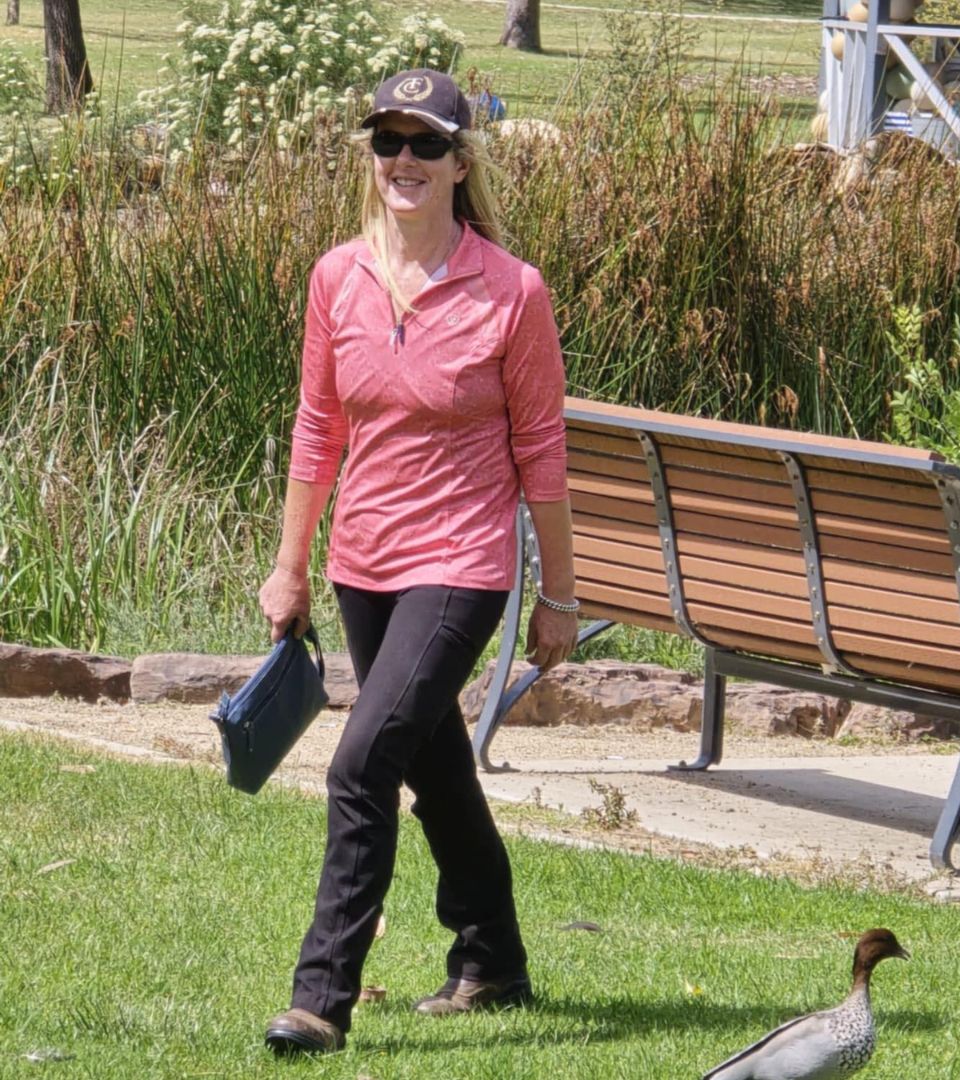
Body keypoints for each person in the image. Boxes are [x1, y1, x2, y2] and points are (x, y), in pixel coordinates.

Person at [258, 68, 579, 1056]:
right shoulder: (334, 278)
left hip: (463, 562)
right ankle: (493, 959)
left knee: (362, 764)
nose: (404, 160)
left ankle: (322, 996)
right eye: (388, 141)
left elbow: (544, 456)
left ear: (460, 160)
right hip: (365, 560)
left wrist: (559, 595)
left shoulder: (510, 291)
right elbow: (318, 428)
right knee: (436, 769)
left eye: (426, 144)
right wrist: (291, 565)